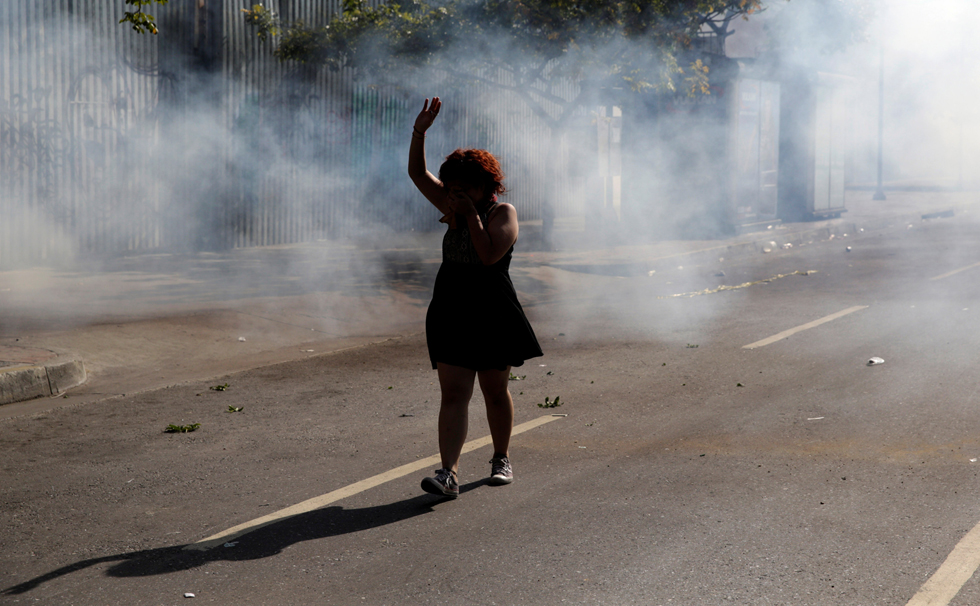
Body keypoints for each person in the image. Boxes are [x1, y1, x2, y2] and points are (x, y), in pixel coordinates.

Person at [408, 96, 543, 499]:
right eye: (451, 189)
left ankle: (501, 457)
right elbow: (417, 173)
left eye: (465, 188)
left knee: (494, 389)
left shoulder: (503, 214)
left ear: (486, 187)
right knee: (453, 393)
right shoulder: (452, 203)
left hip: (491, 310)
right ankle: (448, 473)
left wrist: (469, 216)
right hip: (451, 307)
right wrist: (420, 132)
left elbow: (488, 256)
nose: (454, 194)